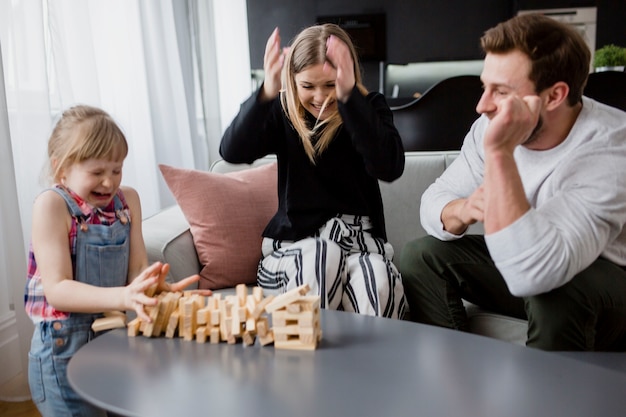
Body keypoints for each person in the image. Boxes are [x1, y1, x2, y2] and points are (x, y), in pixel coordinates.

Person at [399, 13, 626, 351]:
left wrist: (500, 153)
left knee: (554, 295)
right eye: (484, 86)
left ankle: (546, 400)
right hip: (531, 270)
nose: (481, 106)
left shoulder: (610, 148)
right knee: (420, 256)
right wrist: (462, 209)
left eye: (501, 91)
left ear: (553, 96)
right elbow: (435, 200)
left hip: (603, 281)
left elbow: (536, 274)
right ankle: (457, 379)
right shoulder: (488, 125)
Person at [25, 105, 206, 416]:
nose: (109, 183)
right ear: (61, 168)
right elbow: (57, 290)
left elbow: (135, 269)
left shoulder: (127, 201)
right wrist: (123, 296)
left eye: (117, 169)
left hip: (111, 340)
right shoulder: (51, 206)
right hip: (62, 351)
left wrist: (151, 285)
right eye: (96, 172)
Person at [220, 24, 406, 318]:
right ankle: (306, 356)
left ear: (347, 75)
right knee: (323, 255)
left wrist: (349, 100)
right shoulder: (283, 111)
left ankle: (372, 363)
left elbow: (389, 166)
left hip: (360, 247)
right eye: (308, 86)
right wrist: (267, 92)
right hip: (297, 248)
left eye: (330, 84)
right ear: (292, 82)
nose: (321, 98)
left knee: (377, 280)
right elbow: (232, 151)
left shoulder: (369, 107)